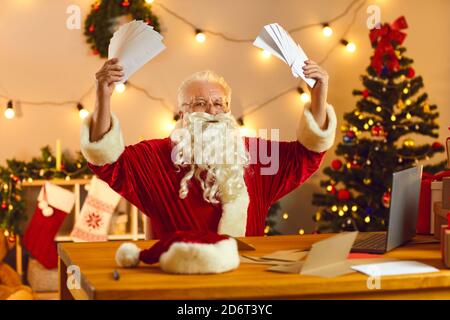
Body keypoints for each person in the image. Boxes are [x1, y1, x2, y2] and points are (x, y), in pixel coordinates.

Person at [80, 58, 336, 238]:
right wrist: (103, 96)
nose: (212, 110)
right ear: (183, 112)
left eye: (219, 103)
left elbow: (308, 154)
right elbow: (106, 160)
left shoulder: (256, 156)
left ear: (228, 109)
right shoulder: (154, 158)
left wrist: (319, 94)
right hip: (177, 286)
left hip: (244, 287)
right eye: (200, 103)